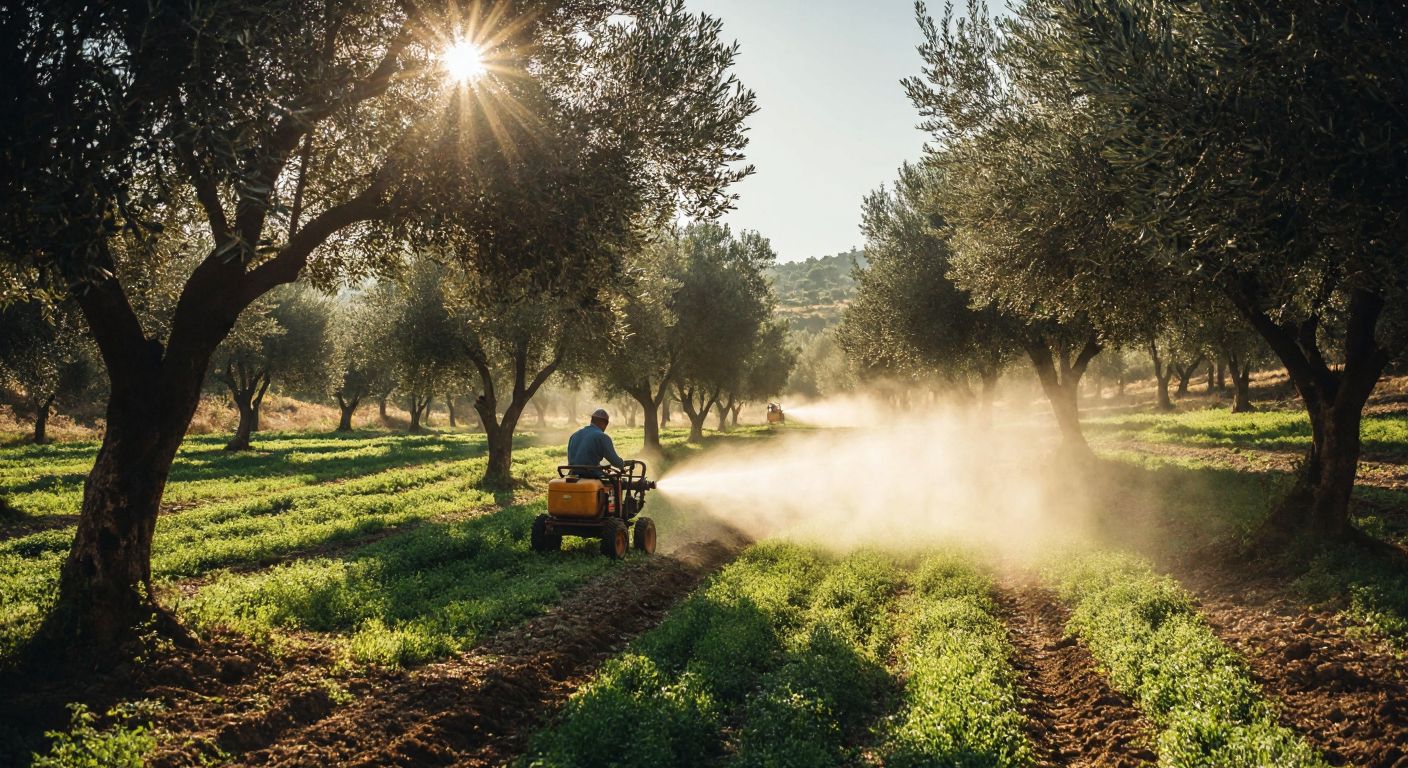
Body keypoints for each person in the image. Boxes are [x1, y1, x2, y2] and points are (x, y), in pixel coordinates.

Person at [567, 408, 625, 478]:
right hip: (590, 475)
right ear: (605, 424)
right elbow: (615, 461)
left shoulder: (574, 435)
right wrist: (622, 465)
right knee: (617, 482)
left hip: (572, 475)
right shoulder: (602, 437)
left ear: (591, 420)